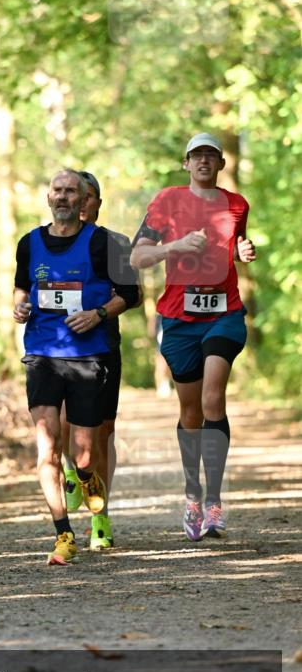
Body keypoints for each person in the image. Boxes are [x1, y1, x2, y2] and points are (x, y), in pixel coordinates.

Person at [130, 132, 256, 540]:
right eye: (196, 155)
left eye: (211, 155)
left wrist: (242, 250)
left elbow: (231, 245)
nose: (204, 161)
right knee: (190, 414)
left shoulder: (236, 204)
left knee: (212, 396)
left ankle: (215, 502)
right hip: (179, 318)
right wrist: (176, 246)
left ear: (220, 164)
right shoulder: (167, 201)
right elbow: (137, 256)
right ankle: (193, 497)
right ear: (186, 163)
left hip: (225, 312)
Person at [13, 169, 140, 565]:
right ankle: (63, 534)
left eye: (71, 191)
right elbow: (21, 286)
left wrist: (98, 313)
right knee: (48, 449)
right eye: (57, 190)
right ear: (48, 197)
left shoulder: (105, 244)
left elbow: (131, 294)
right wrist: (19, 306)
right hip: (42, 354)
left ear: (85, 200)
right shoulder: (29, 243)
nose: (63, 197)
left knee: (84, 453)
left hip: (89, 357)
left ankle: (85, 479)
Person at [60, 172, 142, 551]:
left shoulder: (114, 243)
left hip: (103, 348)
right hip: (56, 348)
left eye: (88, 196)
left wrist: (100, 312)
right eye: (75, 194)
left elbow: (133, 295)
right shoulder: (50, 241)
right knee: (60, 424)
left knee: (102, 434)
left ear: (95, 202)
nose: (81, 202)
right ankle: (73, 471)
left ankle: (100, 517)